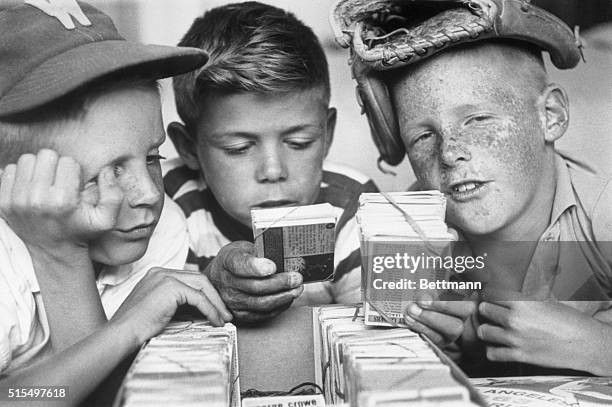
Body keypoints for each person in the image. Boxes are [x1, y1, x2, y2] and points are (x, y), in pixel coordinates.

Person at [333, 0, 612, 376]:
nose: (449, 153)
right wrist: (435, 350)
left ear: (551, 116)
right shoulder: (407, 233)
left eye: (476, 119)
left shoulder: (603, 212)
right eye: (423, 136)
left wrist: (595, 346)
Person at [0, 1, 237, 404]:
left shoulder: (161, 230)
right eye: (106, 173)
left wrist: (63, 252)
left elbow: (99, 396)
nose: (149, 194)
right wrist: (125, 327)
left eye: (152, 157)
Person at [164, 1, 378, 323]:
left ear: (327, 134)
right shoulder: (164, 202)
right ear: (189, 147)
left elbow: (373, 341)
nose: (273, 171)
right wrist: (208, 289)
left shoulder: (353, 208)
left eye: (298, 143)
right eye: (239, 148)